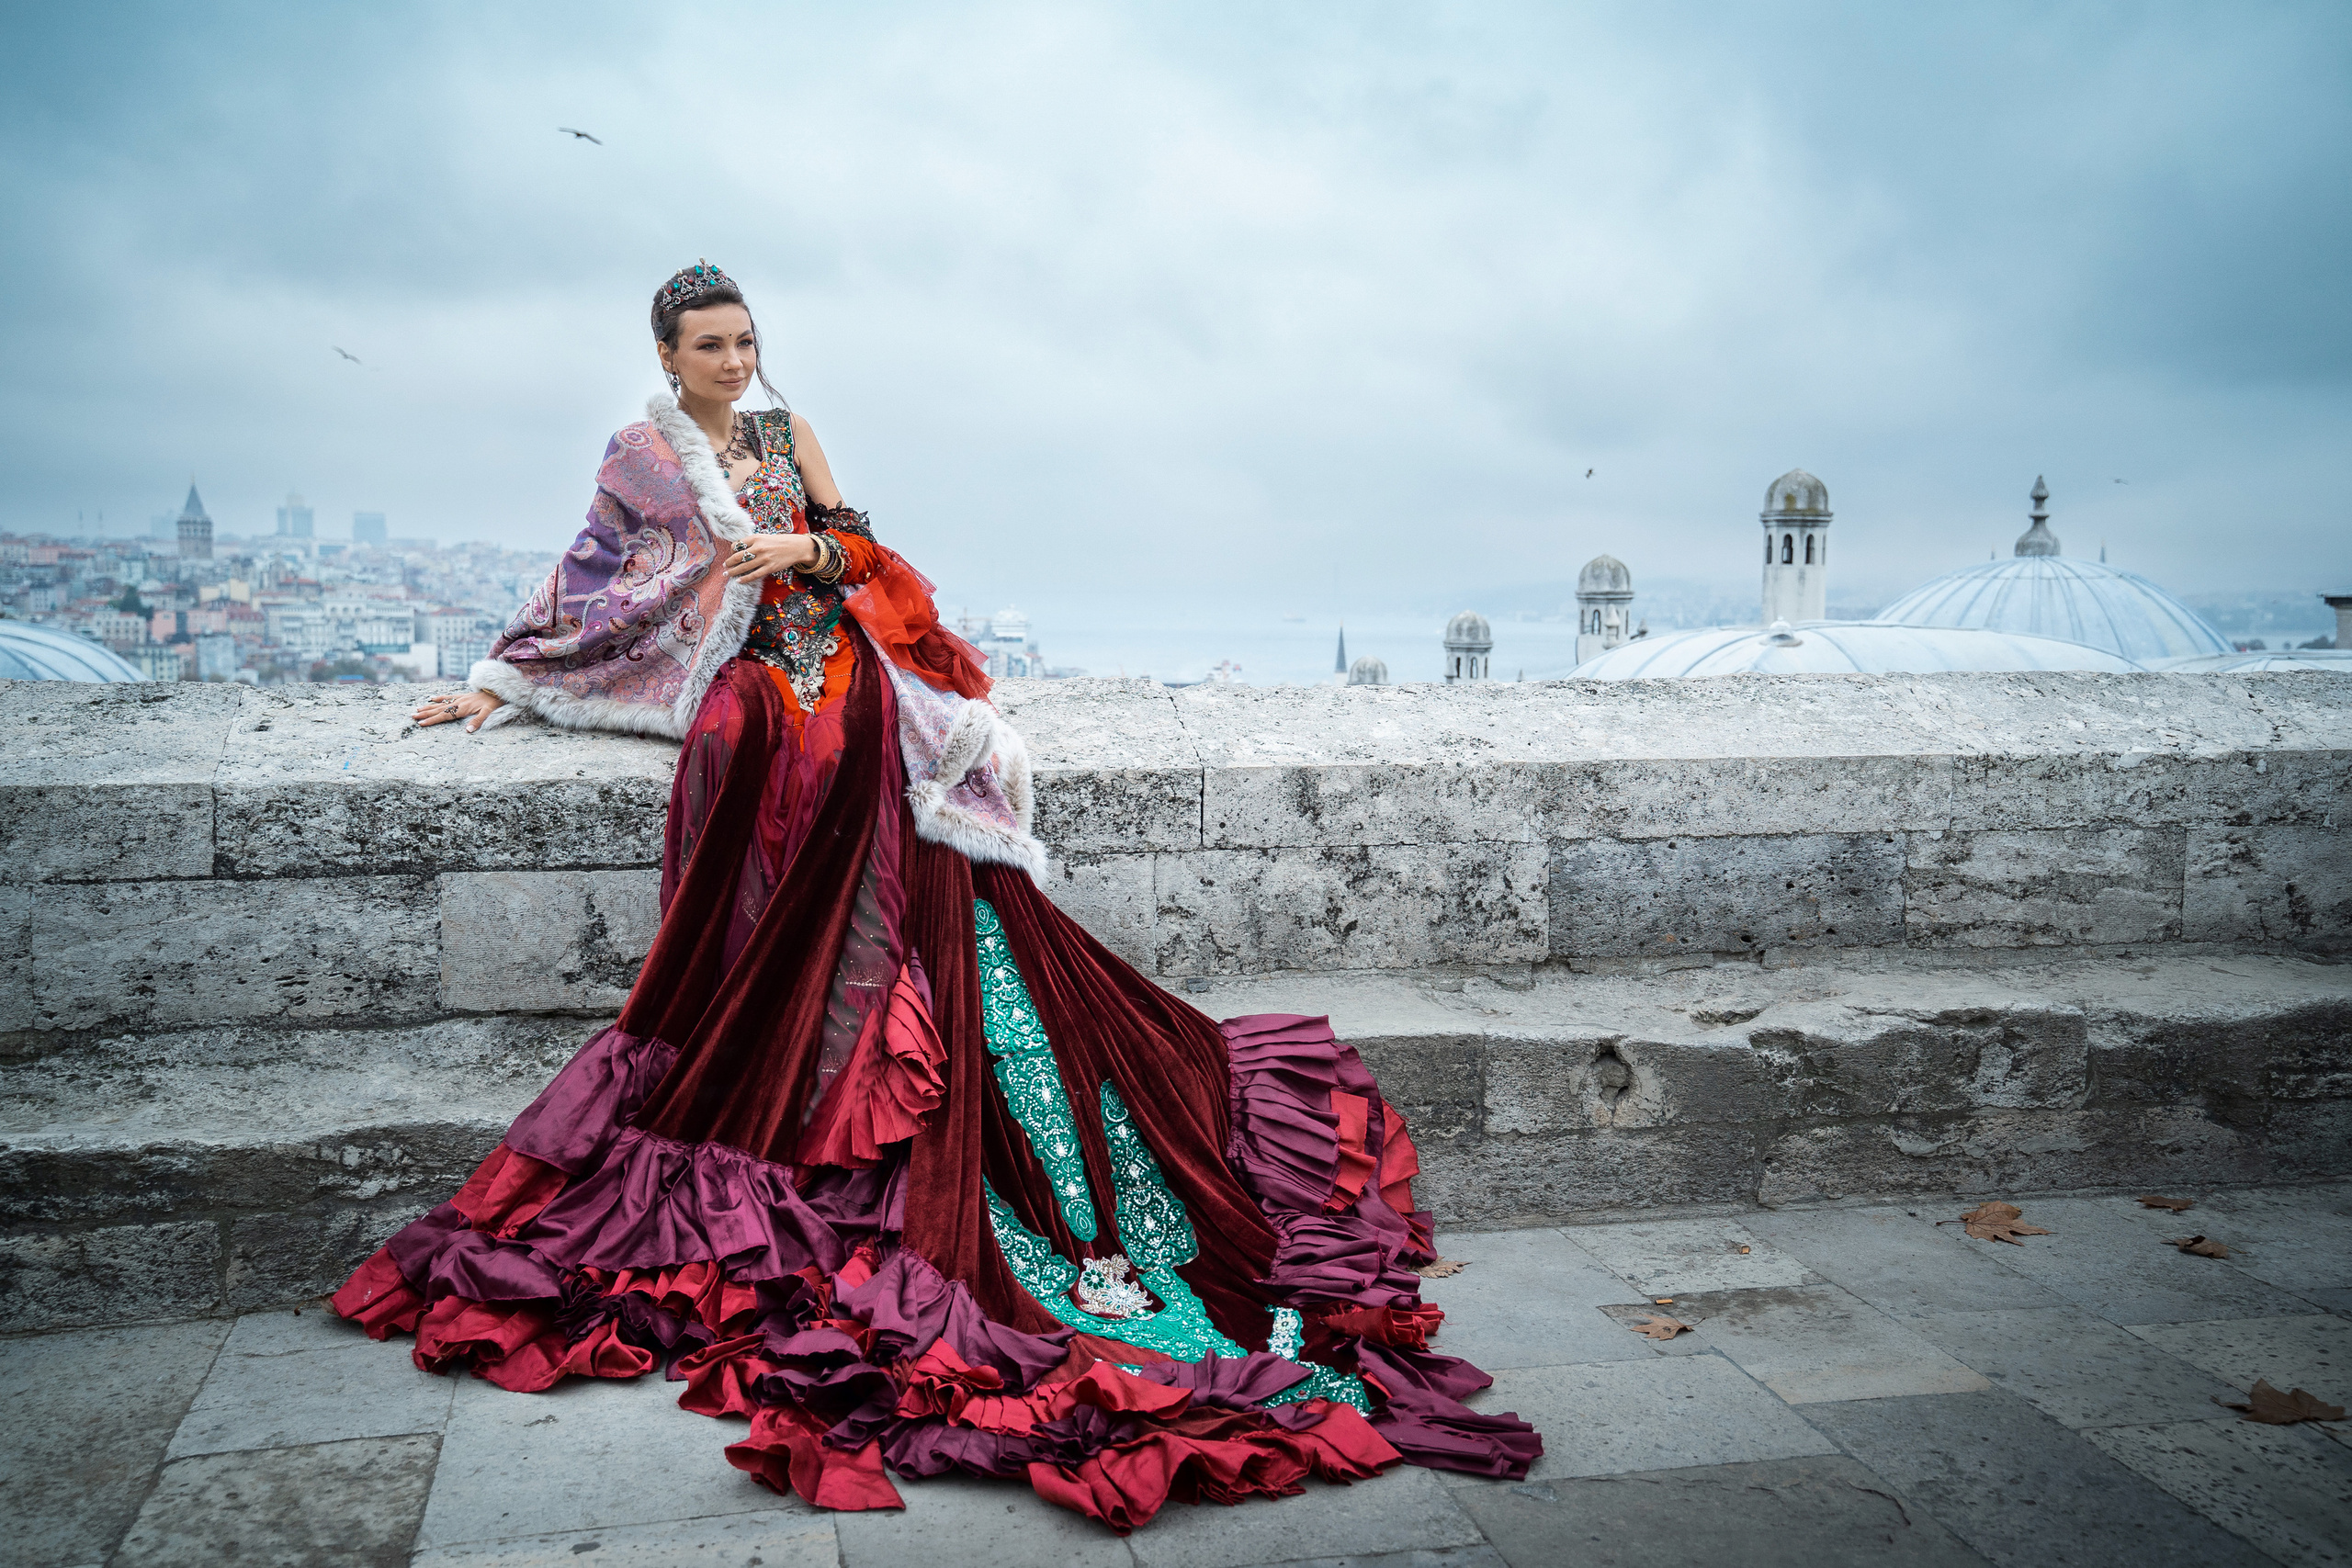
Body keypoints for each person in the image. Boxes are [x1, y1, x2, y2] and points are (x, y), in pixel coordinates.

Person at [345, 261, 1538, 1532]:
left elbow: (861, 544)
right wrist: (499, 681)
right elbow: (592, 582)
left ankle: (867, 1011)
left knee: (863, 769)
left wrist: (807, 543)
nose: (738, 362)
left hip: (843, 669)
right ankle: (791, 1030)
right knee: (750, 748)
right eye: (712, 346)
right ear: (666, 351)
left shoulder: (781, 427)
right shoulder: (639, 457)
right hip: (746, 683)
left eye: (747, 340)